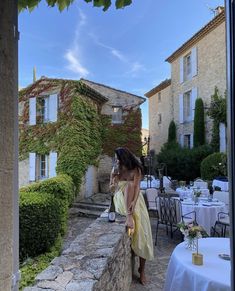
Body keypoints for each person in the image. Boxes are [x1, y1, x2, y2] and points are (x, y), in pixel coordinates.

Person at [109, 147, 154, 285]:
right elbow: (111, 190)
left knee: (143, 234)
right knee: (127, 187)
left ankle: (142, 270)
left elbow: (137, 189)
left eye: (118, 158)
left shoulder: (136, 169)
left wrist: (133, 205)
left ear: (124, 157)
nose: (116, 160)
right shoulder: (117, 169)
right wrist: (112, 179)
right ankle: (129, 217)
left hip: (135, 200)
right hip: (120, 199)